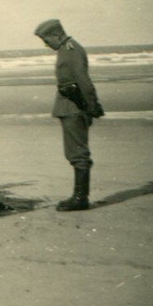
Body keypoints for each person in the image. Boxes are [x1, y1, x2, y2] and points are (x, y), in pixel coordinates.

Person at [34, 19, 105, 211]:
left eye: (46, 40)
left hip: (73, 107)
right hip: (70, 106)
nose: (46, 44)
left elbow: (84, 81)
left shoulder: (72, 50)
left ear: (57, 35)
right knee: (74, 152)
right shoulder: (66, 49)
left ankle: (80, 198)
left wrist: (92, 107)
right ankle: (79, 196)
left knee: (78, 153)